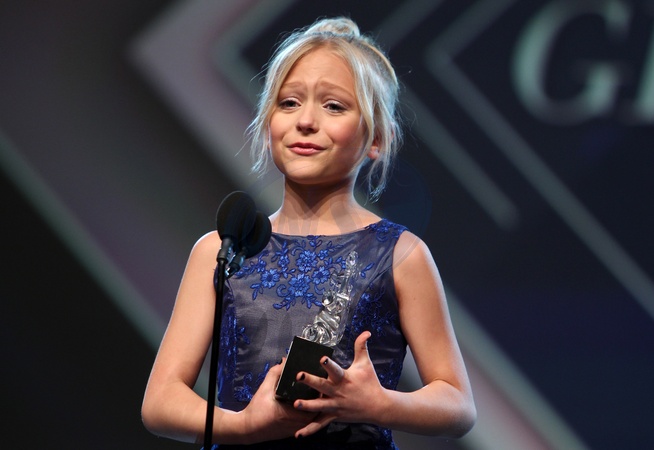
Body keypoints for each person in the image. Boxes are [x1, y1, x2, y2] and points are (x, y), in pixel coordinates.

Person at [142, 16, 476, 449]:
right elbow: (160, 402)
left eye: (333, 106)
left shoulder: (401, 254)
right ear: (268, 124)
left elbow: (457, 405)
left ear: (377, 138)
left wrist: (377, 403)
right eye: (289, 103)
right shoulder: (220, 251)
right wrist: (244, 426)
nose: (305, 121)